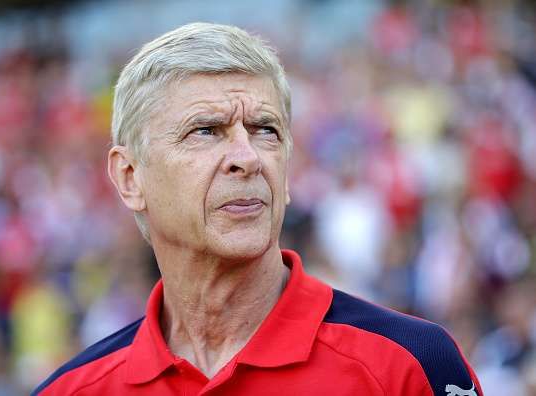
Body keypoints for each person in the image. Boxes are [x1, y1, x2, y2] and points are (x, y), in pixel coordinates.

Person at [32, 22, 483, 396]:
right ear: (130, 177)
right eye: (206, 131)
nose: (247, 157)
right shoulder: (71, 390)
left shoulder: (410, 365)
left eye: (265, 129)